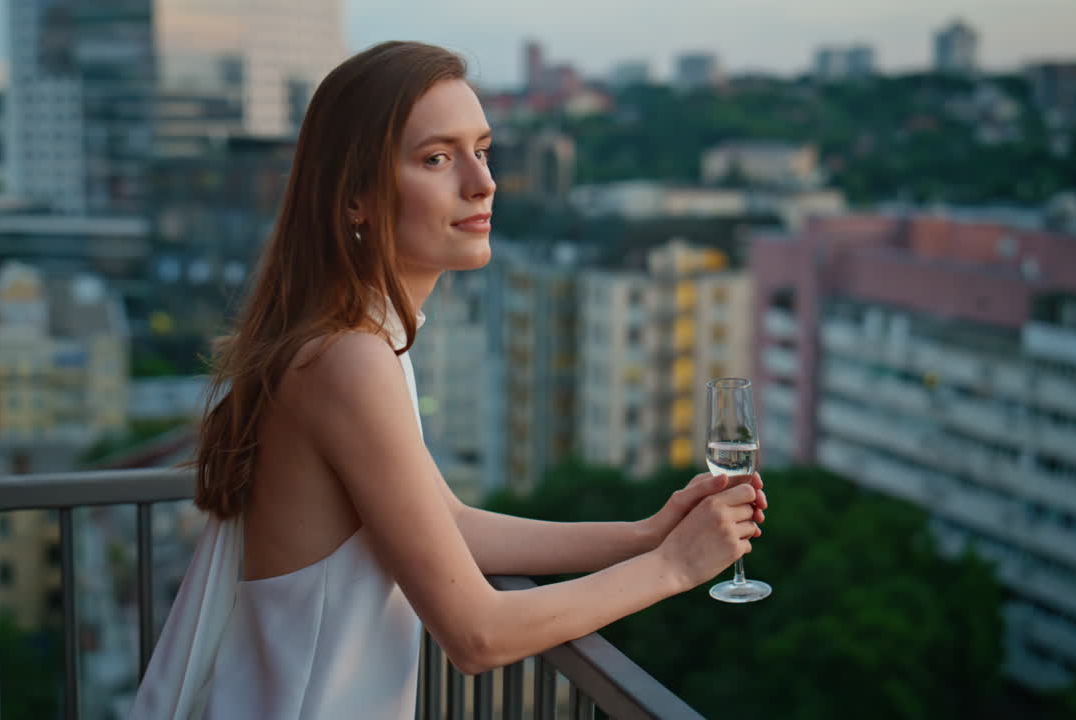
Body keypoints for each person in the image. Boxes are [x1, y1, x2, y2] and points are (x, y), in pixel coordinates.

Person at [129, 41, 767, 720]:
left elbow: (452, 526)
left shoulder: (355, 340)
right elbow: (476, 635)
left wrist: (646, 532)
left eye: (482, 150)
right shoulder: (347, 359)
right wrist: (673, 569)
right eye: (437, 158)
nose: (482, 182)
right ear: (356, 199)